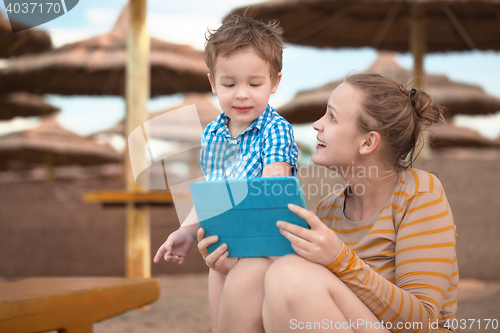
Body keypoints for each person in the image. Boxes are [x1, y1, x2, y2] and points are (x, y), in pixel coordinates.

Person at [198, 73, 458, 333]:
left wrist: (338, 258)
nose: (316, 124)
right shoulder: (328, 209)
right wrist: (229, 269)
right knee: (249, 270)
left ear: (368, 142)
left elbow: (422, 321)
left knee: (289, 275)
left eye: (332, 117)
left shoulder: (421, 193)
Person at [153, 15, 299, 332]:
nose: (241, 94)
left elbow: (274, 191)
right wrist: (187, 231)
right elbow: (212, 191)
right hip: (222, 247)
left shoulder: (274, 130)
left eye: (255, 83)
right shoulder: (212, 134)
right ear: (213, 83)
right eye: (229, 84)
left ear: (275, 82)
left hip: (261, 253)